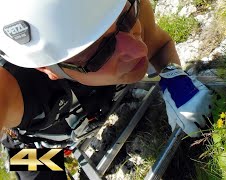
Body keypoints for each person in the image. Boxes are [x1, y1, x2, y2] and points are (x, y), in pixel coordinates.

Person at [0, 0, 212, 179]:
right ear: (48, 69)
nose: (139, 48)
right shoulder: (14, 88)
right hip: (36, 147)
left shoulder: (119, 6)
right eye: (98, 52)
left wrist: (175, 80)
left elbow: (159, 45)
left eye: (126, 19)